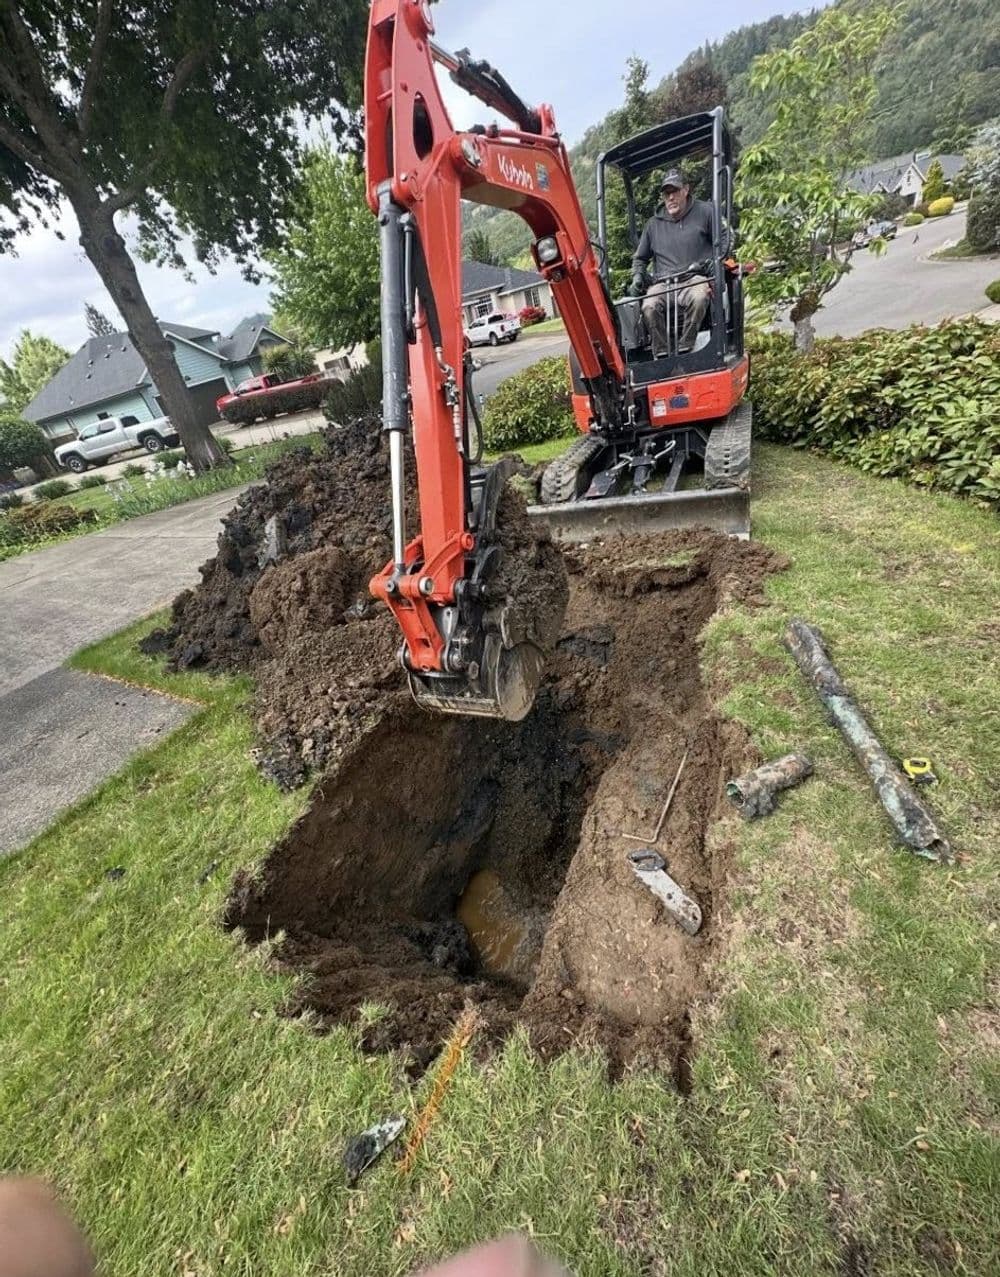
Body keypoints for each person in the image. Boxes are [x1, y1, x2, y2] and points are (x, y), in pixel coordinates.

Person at [630, 168, 716, 356]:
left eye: (674, 192)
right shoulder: (653, 225)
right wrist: (637, 276)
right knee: (648, 305)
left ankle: (686, 346)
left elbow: (724, 240)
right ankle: (661, 353)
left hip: (695, 277)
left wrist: (714, 261)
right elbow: (640, 258)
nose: (670, 198)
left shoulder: (706, 212)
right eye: (666, 193)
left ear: (686, 190)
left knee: (700, 296)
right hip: (664, 283)